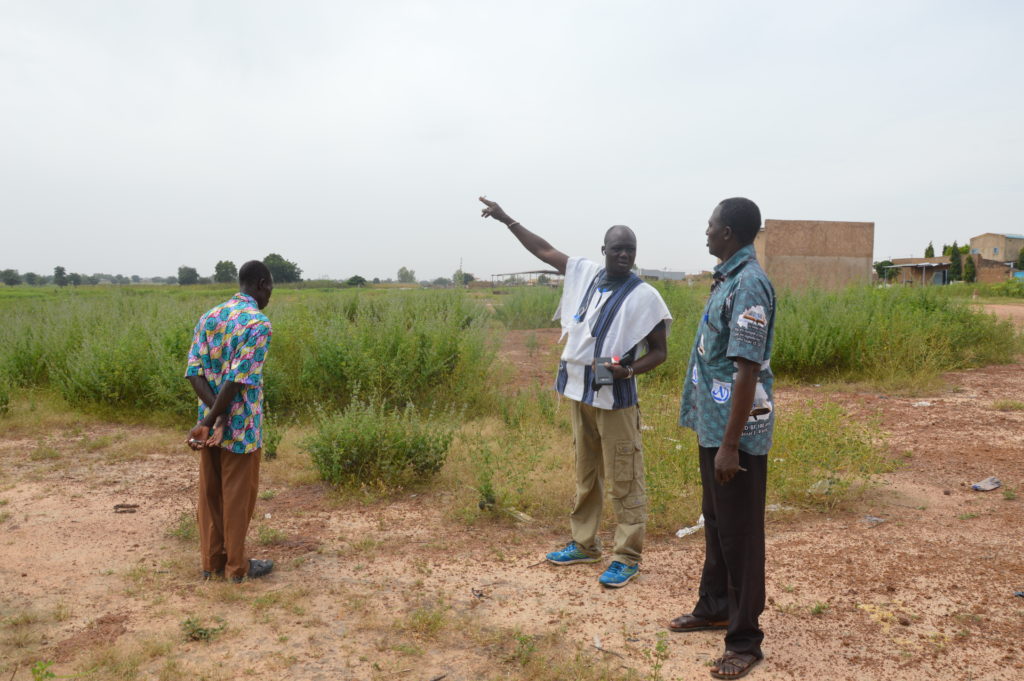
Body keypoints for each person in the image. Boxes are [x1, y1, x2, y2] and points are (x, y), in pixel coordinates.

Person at [479, 196, 671, 588]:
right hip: (580, 393)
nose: (624, 255)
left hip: (615, 400)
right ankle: (584, 544)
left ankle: (627, 555)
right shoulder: (585, 274)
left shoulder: (645, 296)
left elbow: (661, 352)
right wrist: (506, 219)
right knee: (587, 473)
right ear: (604, 251)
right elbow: (544, 249)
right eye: (617, 248)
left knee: (624, 476)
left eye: (630, 250)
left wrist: (629, 370)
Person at [671, 198, 775, 680]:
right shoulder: (727, 278)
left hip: (737, 435)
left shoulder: (749, 283)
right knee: (715, 521)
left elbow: (747, 369)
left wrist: (731, 446)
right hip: (714, 426)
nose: (706, 233)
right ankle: (713, 606)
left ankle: (745, 640)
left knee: (740, 534)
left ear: (729, 232)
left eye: (711, 226)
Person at [185, 260, 276, 583]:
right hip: (242, 427)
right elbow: (238, 380)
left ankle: (211, 564)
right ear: (262, 284)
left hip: (207, 425)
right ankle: (237, 568)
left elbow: (194, 373)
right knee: (238, 498)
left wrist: (209, 419)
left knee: (210, 495)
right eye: (270, 289)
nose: (269, 296)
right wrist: (220, 417)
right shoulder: (258, 324)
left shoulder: (209, 317)